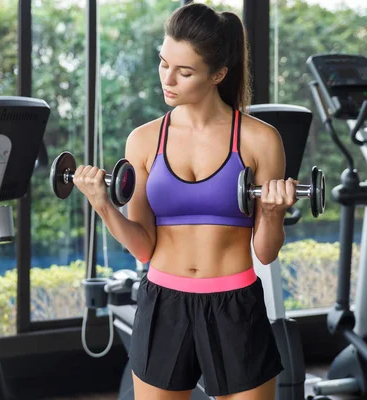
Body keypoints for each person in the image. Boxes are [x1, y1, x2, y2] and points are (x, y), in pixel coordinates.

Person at [72, 3, 295, 400]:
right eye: (163, 63)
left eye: (185, 71)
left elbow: (265, 253)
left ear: (218, 74)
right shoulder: (143, 140)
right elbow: (143, 245)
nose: (167, 79)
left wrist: (273, 215)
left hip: (235, 303)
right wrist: (103, 204)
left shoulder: (260, 140)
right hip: (162, 303)